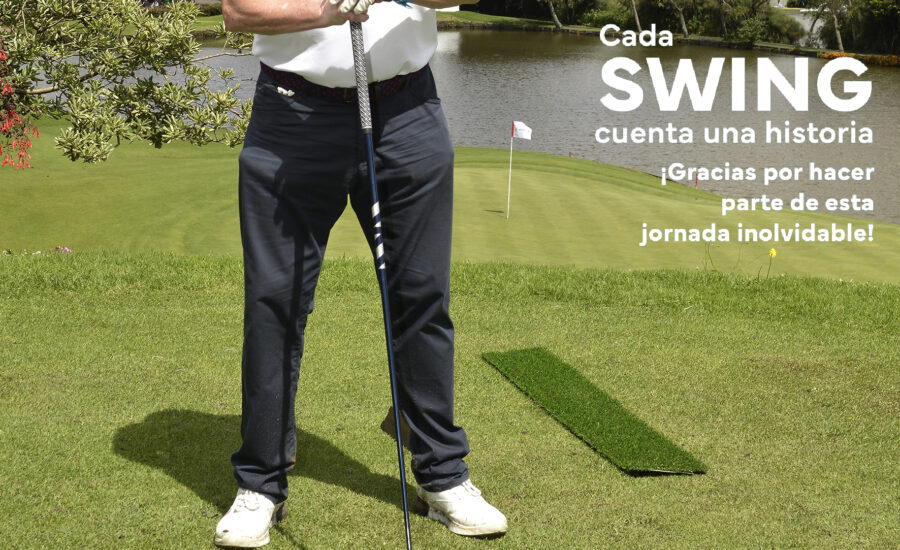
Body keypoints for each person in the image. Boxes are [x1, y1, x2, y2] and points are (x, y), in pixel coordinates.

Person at [215, 0, 508, 547]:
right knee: (275, 303)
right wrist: (328, 10)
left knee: (421, 296)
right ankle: (260, 483)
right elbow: (239, 11)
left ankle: (442, 475)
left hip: (407, 111)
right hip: (293, 114)